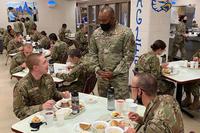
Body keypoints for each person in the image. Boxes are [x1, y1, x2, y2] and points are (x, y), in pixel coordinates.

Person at [88, 6, 135, 99]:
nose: (101, 23)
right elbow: (92, 53)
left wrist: (114, 72)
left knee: (120, 105)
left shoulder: (125, 33)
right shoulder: (96, 34)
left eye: (104, 20)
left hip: (119, 79)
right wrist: (97, 69)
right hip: (102, 78)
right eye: (100, 20)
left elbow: (129, 56)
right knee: (103, 103)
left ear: (113, 18)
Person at [13, 53, 70, 120]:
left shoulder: (47, 77)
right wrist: (41, 107)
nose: (48, 64)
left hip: (50, 115)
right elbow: (19, 111)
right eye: (44, 62)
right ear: (35, 68)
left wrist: (62, 95)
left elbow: (54, 93)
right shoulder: (22, 86)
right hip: (34, 120)